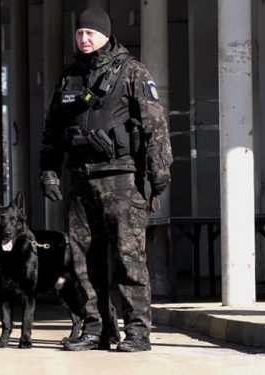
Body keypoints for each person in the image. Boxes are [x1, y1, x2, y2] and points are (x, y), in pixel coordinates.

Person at [39, 8, 173, 352]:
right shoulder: (69, 78)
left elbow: (154, 126)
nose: (84, 39)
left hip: (122, 181)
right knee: (84, 262)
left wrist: (159, 175)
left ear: (106, 34)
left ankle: (138, 332)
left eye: (91, 33)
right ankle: (96, 329)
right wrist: (49, 171)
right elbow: (52, 131)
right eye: (80, 33)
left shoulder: (132, 72)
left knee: (129, 259)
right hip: (82, 183)